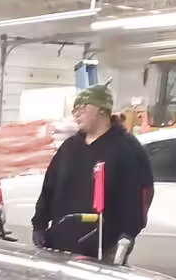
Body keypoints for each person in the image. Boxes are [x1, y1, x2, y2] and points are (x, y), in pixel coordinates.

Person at [31, 84, 154, 262]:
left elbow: (142, 193)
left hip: (104, 246)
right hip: (62, 242)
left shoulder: (127, 149)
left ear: (102, 110)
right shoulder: (70, 148)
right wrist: (39, 224)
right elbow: (49, 187)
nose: (76, 114)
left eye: (82, 108)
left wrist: (129, 232)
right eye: (74, 109)